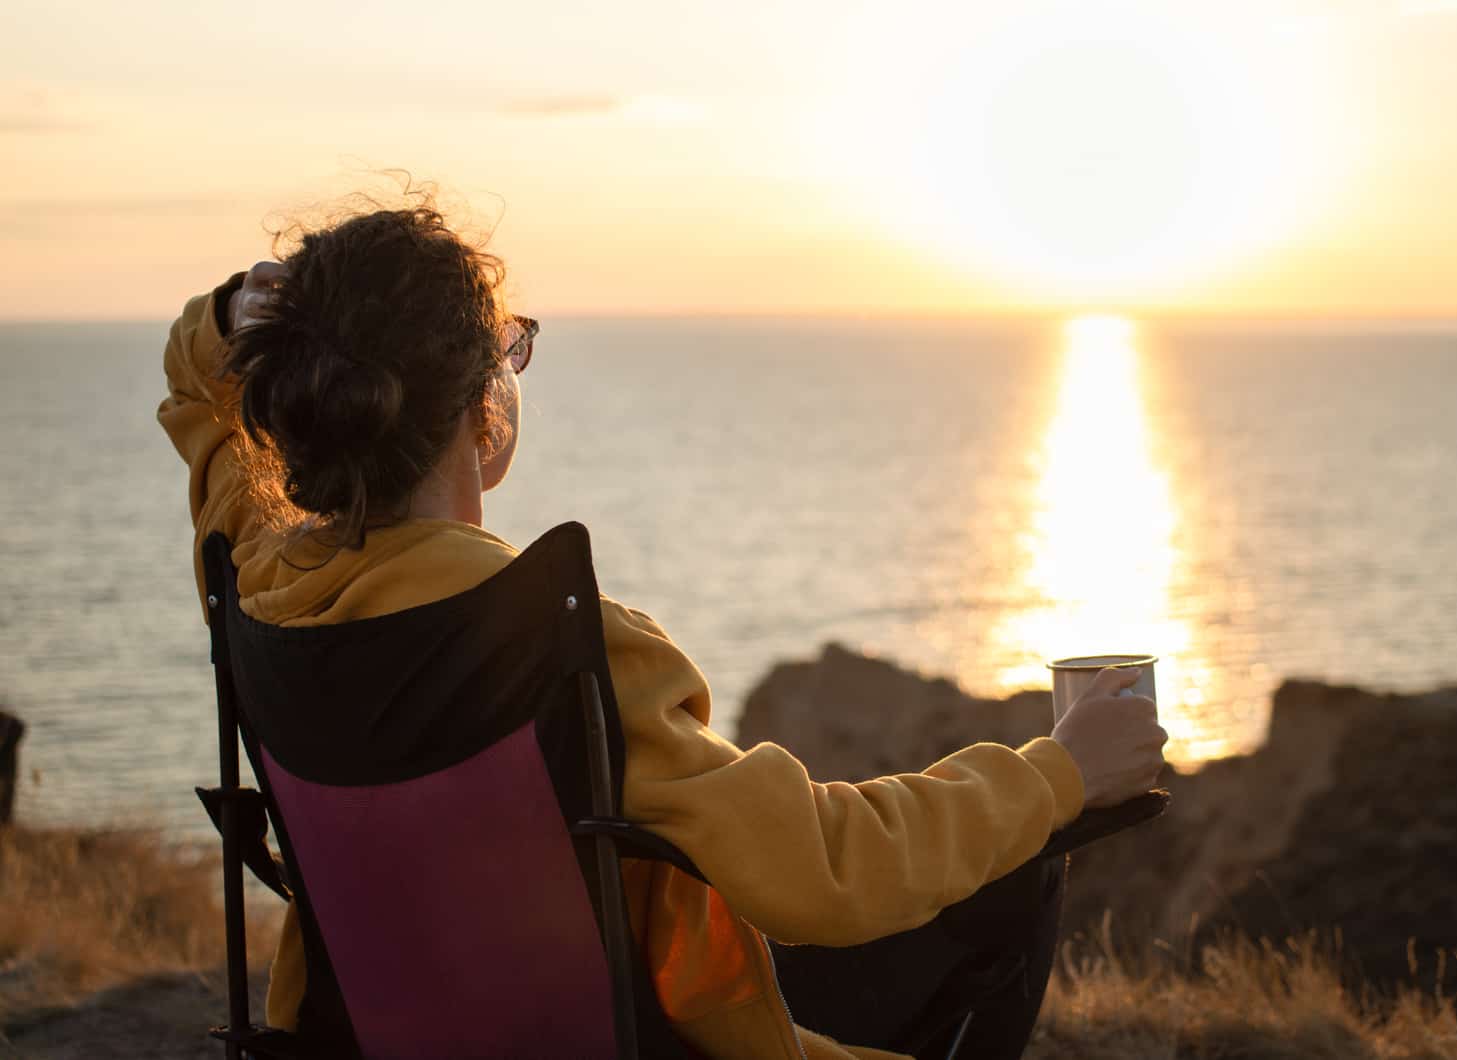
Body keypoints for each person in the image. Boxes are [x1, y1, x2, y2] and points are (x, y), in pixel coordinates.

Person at [159, 197, 1167, 1059]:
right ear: (481, 405)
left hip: (377, 1033)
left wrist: (222, 319)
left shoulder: (255, 584)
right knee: (1015, 870)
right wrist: (1058, 771)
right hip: (633, 1037)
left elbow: (195, 402)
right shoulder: (548, 644)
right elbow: (819, 872)